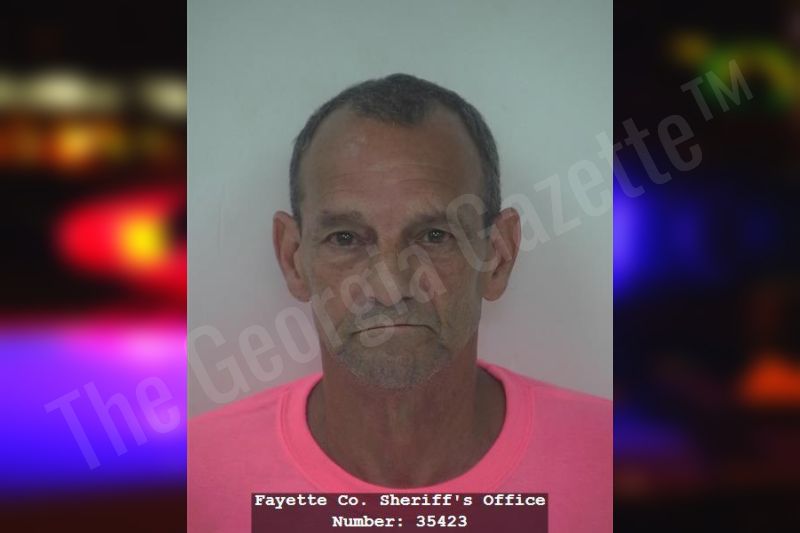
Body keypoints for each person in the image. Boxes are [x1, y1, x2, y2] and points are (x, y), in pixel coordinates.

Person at [188, 74, 611, 532]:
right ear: (292, 258)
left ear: (498, 256)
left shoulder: (614, 464)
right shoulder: (191, 480)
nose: (391, 288)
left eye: (435, 236)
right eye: (345, 238)